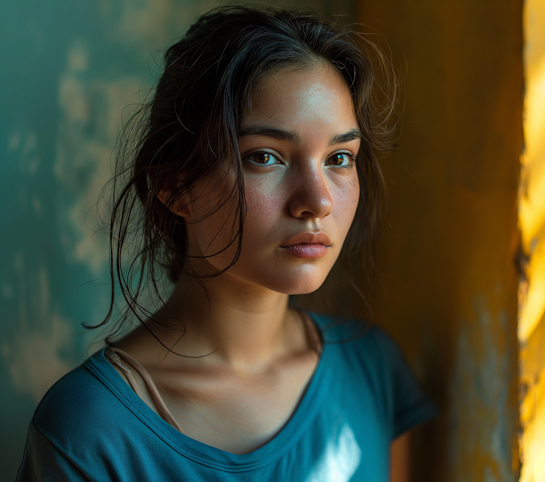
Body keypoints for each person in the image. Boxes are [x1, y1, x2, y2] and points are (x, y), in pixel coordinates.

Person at [16, 5, 436, 481]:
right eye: (265, 157)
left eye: (339, 157)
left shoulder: (373, 371)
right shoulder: (90, 431)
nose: (317, 200)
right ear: (175, 186)